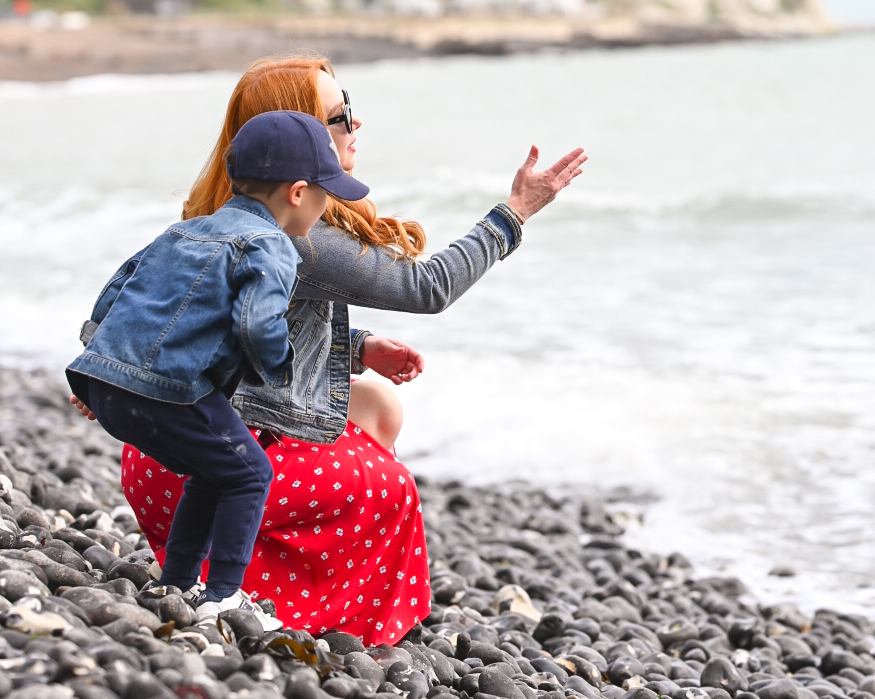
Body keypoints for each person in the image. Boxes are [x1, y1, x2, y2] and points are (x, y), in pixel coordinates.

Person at [121, 55, 585, 646]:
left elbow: (219, 323)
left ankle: (259, 570)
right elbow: (426, 287)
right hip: (206, 467)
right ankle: (270, 597)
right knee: (392, 489)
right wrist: (513, 213)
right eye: (339, 115)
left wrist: (357, 348)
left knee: (377, 406)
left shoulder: (221, 213)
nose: (356, 124)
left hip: (158, 459)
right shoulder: (299, 233)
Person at [67, 109, 370, 629]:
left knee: (214, 471)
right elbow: (256, 323)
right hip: (169, 391)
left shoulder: (185, 231)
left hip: (105, 383)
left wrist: (103, 365)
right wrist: (279, 370)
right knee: (252, 474)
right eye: (326, 193)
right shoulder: (272, 245)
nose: (327, 205)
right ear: (298, 193)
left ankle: (178, 583)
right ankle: (225, 594)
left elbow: (117, 289)